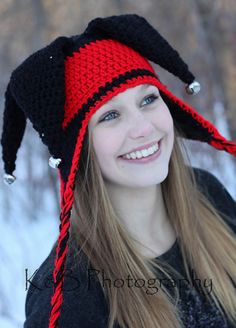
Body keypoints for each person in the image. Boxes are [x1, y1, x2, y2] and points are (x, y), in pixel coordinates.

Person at [1, 13, 236, 328]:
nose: (143, 127)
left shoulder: (206, 193)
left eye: (148, 99)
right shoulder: (72, 295)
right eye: (110, 115)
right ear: (78, 148)